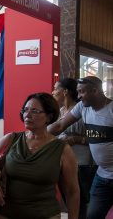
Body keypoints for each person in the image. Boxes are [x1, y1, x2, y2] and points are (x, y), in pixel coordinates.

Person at [0, 92, 79, 219]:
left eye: (34, 111)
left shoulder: (62, 149)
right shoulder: (11, 139)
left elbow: (72, 191)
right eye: (25, 110)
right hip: (7, 214)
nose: (27, 115)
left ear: (49, 117)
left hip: (46, 214)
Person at [48, 76, 113, 219]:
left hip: (96, 169)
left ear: (95, 90)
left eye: (82, 92)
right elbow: (59, 126)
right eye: (77, 92)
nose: (78, 96)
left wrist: (77, 139)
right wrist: (31, 135)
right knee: (92, 215)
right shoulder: (82, 107)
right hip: (102, 176)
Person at [52, 77, 97, 219]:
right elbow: (55, 130)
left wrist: (75, 138)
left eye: (55, 89)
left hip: (82, 163)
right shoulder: (60, 111)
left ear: (65, 92)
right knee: (68, 198)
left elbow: (98, 138)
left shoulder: (83, 110)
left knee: (82, 202)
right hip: (63, 162)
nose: (53, 92)